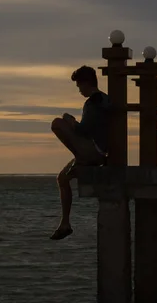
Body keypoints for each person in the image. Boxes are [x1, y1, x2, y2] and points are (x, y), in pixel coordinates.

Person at [49, 65, 110, 240]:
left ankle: (81, 159)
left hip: (94, 151)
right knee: (62, 178)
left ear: (86, 83)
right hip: (96, 151)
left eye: (79, 86)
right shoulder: (103, 100)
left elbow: (85, 130)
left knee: (57, 123)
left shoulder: (94, 101)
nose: (79, 90)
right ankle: (65, 223)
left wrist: (70, 121)